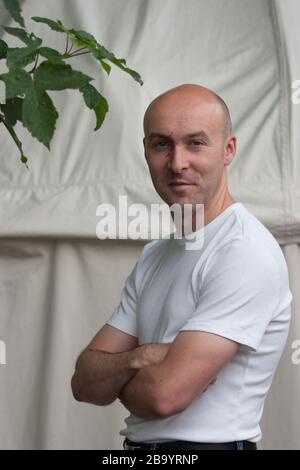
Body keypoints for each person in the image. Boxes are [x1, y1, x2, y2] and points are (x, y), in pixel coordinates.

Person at [71, 84, 292, 450]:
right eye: (162, 144)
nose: (177, 163)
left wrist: (120, 375)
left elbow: (163, 396)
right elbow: (84, 382)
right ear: (146, 151)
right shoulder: (157, 254)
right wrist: (143, 356)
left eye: (196, 143)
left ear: (228, 150)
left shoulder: (244, 251)